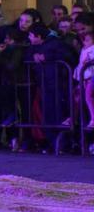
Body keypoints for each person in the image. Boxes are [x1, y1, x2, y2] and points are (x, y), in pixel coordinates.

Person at [25, 24, 76, 154]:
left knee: (58, 113)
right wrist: (35, 56)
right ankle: (52, 143)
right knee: (47, 114)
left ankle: (62, 144)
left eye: (31, 35)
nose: (29, 37)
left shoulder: (56, 44)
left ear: (39, 36)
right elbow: (27, 56)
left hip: (58, 83)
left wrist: (46, 57)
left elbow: (68, 56)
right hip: (44, 83)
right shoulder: (35, 47)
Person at [76, 31, 94, 130]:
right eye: (84, 40)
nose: (85, 43)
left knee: (88, 96)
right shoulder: (84, 49)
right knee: (79, 97)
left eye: (88, 40)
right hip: (85, 77)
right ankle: (73, 117)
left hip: (91, 76)